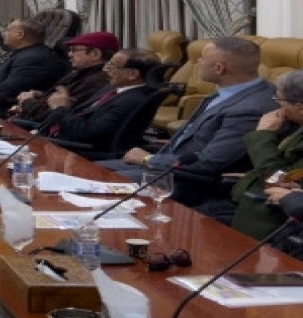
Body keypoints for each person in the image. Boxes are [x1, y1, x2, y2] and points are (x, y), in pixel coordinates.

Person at [98, 36, 277, 208]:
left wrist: (147, 159)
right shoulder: (230, 91)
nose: (198, 62)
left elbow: (209, 163)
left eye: (202, 58)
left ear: (219, 68)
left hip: (190, 182)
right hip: (171, 163)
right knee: (94, 170)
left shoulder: (251, 109)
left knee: (101, 182)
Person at [39, 48, 161, 160]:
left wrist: (60, 108)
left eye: (112, 66)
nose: (105, 69)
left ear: (132, 74)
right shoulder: (116, 88)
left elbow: (86, 134)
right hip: (56, 135)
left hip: (78, 151)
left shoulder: (131, 100)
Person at [228, 70, 303, 236]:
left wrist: (263, 134)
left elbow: (281, 180)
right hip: (247, 200)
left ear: (299, 108)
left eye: (279, 100)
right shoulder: (296, 126)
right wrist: (252, 176)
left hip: (272, 221)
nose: (277, 106)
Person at [0, 19, 69, 116]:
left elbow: (7, 90)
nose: (4, 34)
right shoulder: (22, 53)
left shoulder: (35, 58)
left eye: (7, 30)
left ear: (20, 35)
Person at [13, 31, 118, 123]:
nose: (69, 54)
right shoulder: (80, 73)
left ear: (95, 54)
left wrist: (27, 102)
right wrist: (40, 97)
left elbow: (54, 116)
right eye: (69, 50)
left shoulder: (97, 81)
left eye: (74, 50)